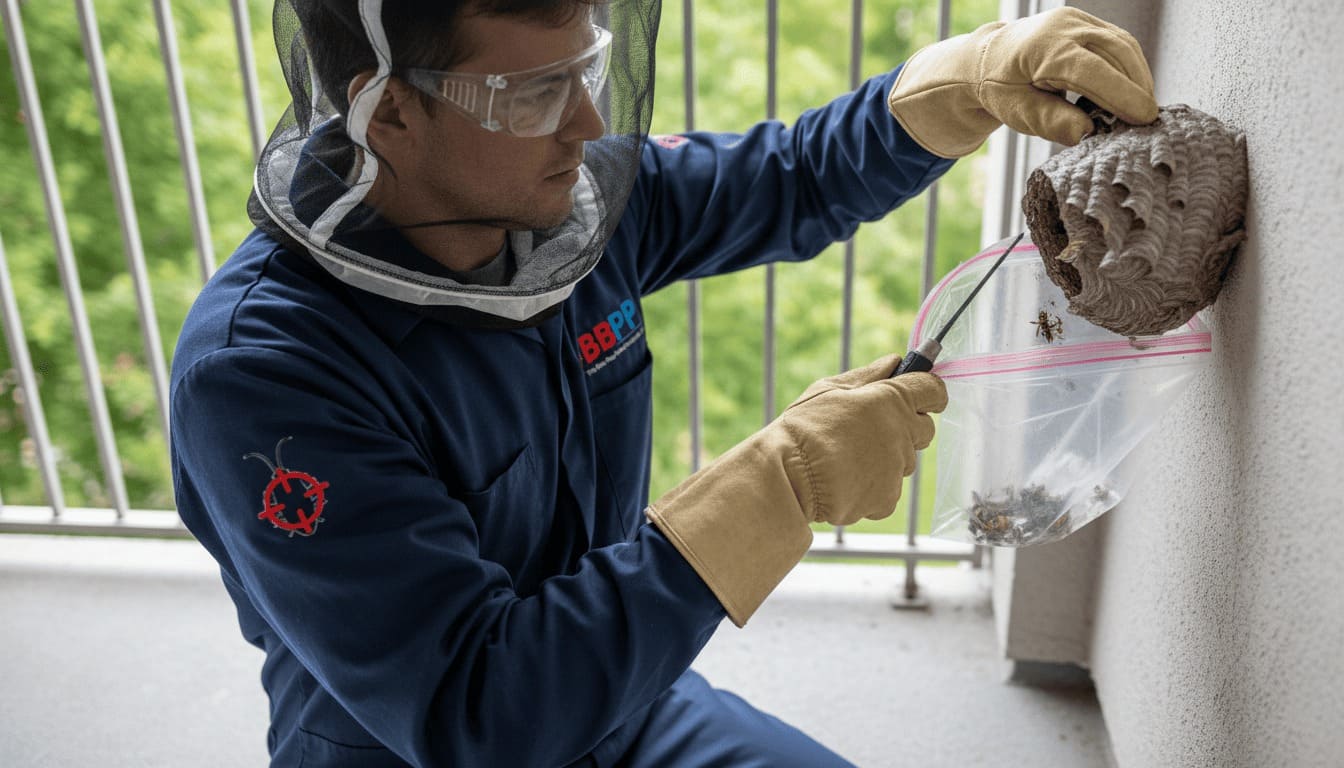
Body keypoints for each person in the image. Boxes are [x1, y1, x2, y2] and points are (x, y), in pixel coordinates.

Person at [169, 1, 1156, 765]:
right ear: (388, 112)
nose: (588, 123)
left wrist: (962, 80)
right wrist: (770, 493)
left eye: (586, 71)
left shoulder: (567, 206)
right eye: (533, 95)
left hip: (622, 699)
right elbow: (478, 716)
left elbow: (793, 181)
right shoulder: (264, 373)